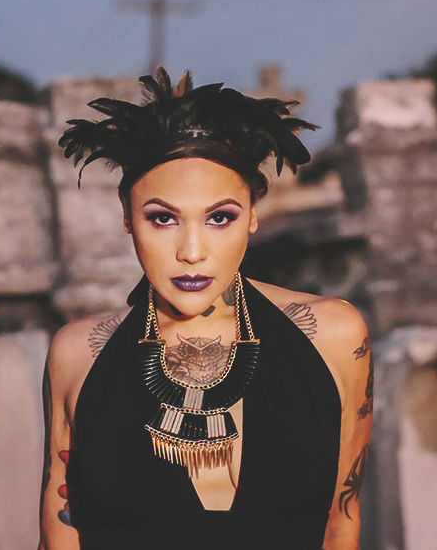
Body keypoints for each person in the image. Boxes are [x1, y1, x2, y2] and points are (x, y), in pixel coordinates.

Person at [39, 68, 373, 550]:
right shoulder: (78, 355)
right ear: (127, 215)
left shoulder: (334, 336)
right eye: (162, 218)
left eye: (220, 218)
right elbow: (59, 536)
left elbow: (342, 525)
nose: (192, 252)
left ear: (253, 214)